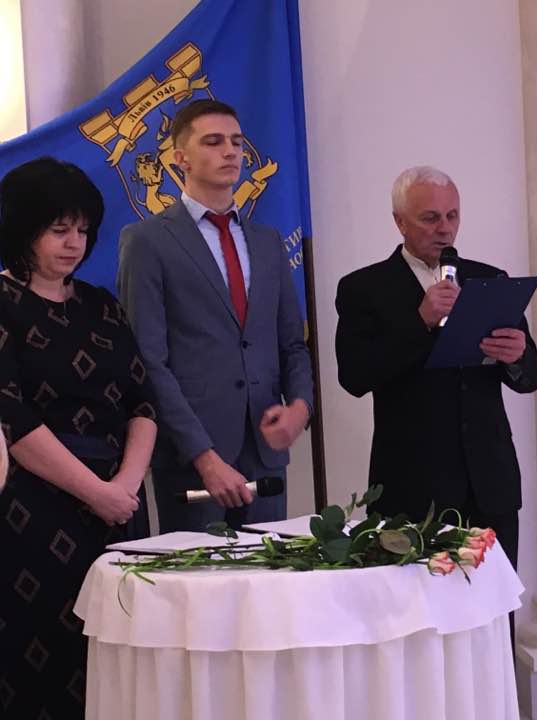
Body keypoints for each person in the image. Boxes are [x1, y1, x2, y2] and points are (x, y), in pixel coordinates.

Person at [0, 157, 157, 718]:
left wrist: (125, 485)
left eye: (83, 230)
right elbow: (12, 418)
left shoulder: (101, 305)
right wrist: (96, 492)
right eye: (58, 229)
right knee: (41, 654)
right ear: (23, 230)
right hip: (35, 507)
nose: (74, 244)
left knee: (117, 655)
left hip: (119, 502)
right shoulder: (4, 303)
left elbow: (143, 403)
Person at [335, 166, 537, 570]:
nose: (444, 229)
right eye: (430, 218)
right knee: (418, 605)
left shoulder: (488, 279)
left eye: (452, 216)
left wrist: (518, 356)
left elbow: (532, 376)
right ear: (400, 222)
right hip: (412, 488)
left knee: (493, 604)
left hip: (489, 484)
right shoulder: (364, 288)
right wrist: (419, 322)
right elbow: (355, 376)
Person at [118, 99, 314, 532]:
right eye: (213, 142)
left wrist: (301, 406)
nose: (230, 152)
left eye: (237, 142)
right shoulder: (147, 241)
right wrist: (203, 456)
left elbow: (291, 343)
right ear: (180, 157)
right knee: (198, 571)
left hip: (263, 451)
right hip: (192, 456)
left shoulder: (266, 241)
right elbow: (149, 361)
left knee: (268, 569)